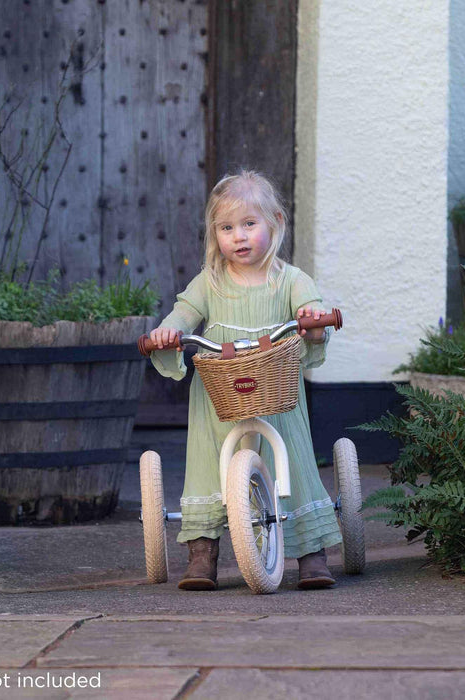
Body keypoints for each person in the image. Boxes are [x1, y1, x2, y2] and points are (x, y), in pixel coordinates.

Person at [149, 170, 342, 590]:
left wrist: (311, 323)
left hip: (277, 391)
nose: (238, 236)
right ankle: (203, 552)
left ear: (274, 222)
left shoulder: (290, 279)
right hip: (219, 393)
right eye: (226, 227)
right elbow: (183, 314)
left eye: (249, 224)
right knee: (205, 460)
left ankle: (311, 552)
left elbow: (311, 312)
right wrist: (169, 331)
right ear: (214, 232)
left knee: (291, 456)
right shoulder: (209, 282)